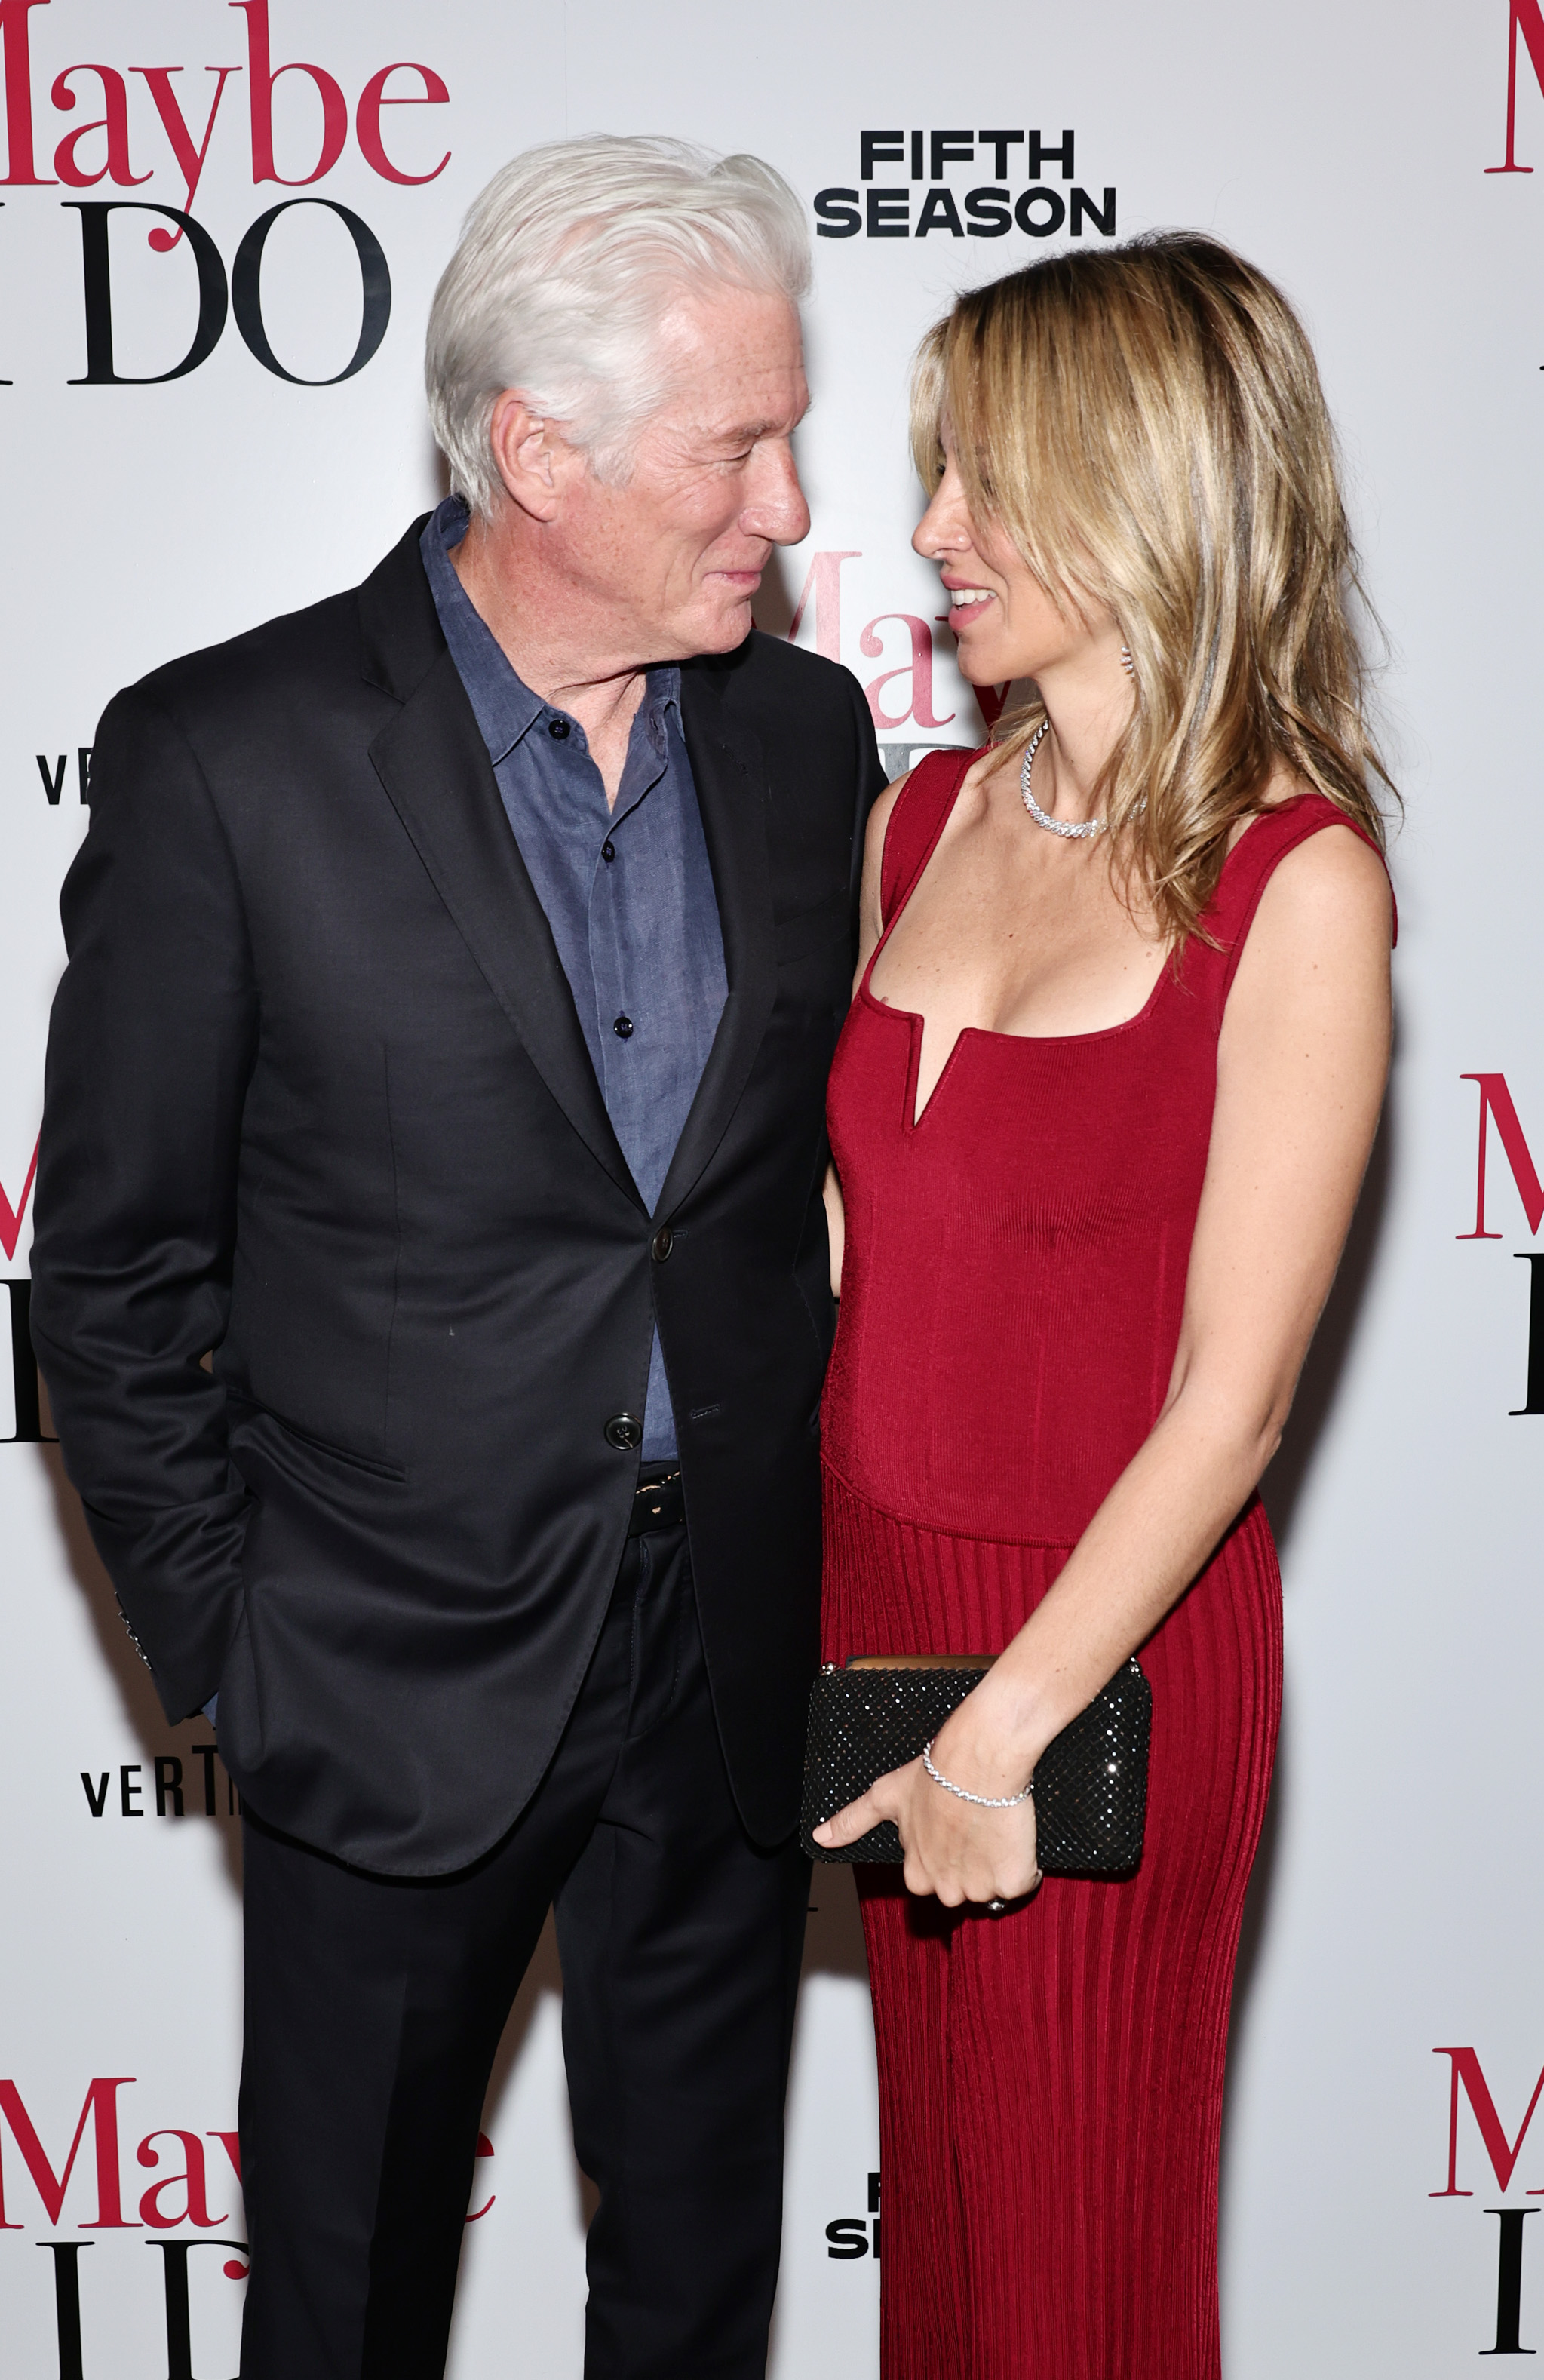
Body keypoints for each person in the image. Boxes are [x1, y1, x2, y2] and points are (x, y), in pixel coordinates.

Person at [30, 137, 882, 2380]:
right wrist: (237, 1650)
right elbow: (112, 1276)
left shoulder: (808, 740)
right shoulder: (227, 759)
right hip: (385, 1685)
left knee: (696, 2288)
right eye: (739, 446)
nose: (791, 503)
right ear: (540, 450)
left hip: (722, 1664)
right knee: (348, 2296)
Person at [813, 235, 1395, 2378]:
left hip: (1101, 1658)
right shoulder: (929, 813)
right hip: (884, 1628)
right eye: (936, 471)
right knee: (951, 2287)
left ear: (1146, 484)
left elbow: (1234, 1405)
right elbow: (862, 1264)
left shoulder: (1293, 883)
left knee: (1074, 2302)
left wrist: (1001, 1729)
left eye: (988, 475)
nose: (934, 530)